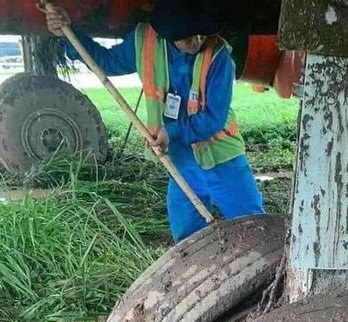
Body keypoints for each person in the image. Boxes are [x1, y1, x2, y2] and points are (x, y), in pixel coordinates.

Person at [45, 1, 265, 243]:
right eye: (189, 37)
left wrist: (171, 132)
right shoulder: (145, 42)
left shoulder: (219, 56)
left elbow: (213, 118)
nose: (198, 41)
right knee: (187, 237)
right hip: (181, 159)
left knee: (254, 227)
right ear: (168, 35)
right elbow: (105, 61)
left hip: (221, 158)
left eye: (202, 33)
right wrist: (69, 32)